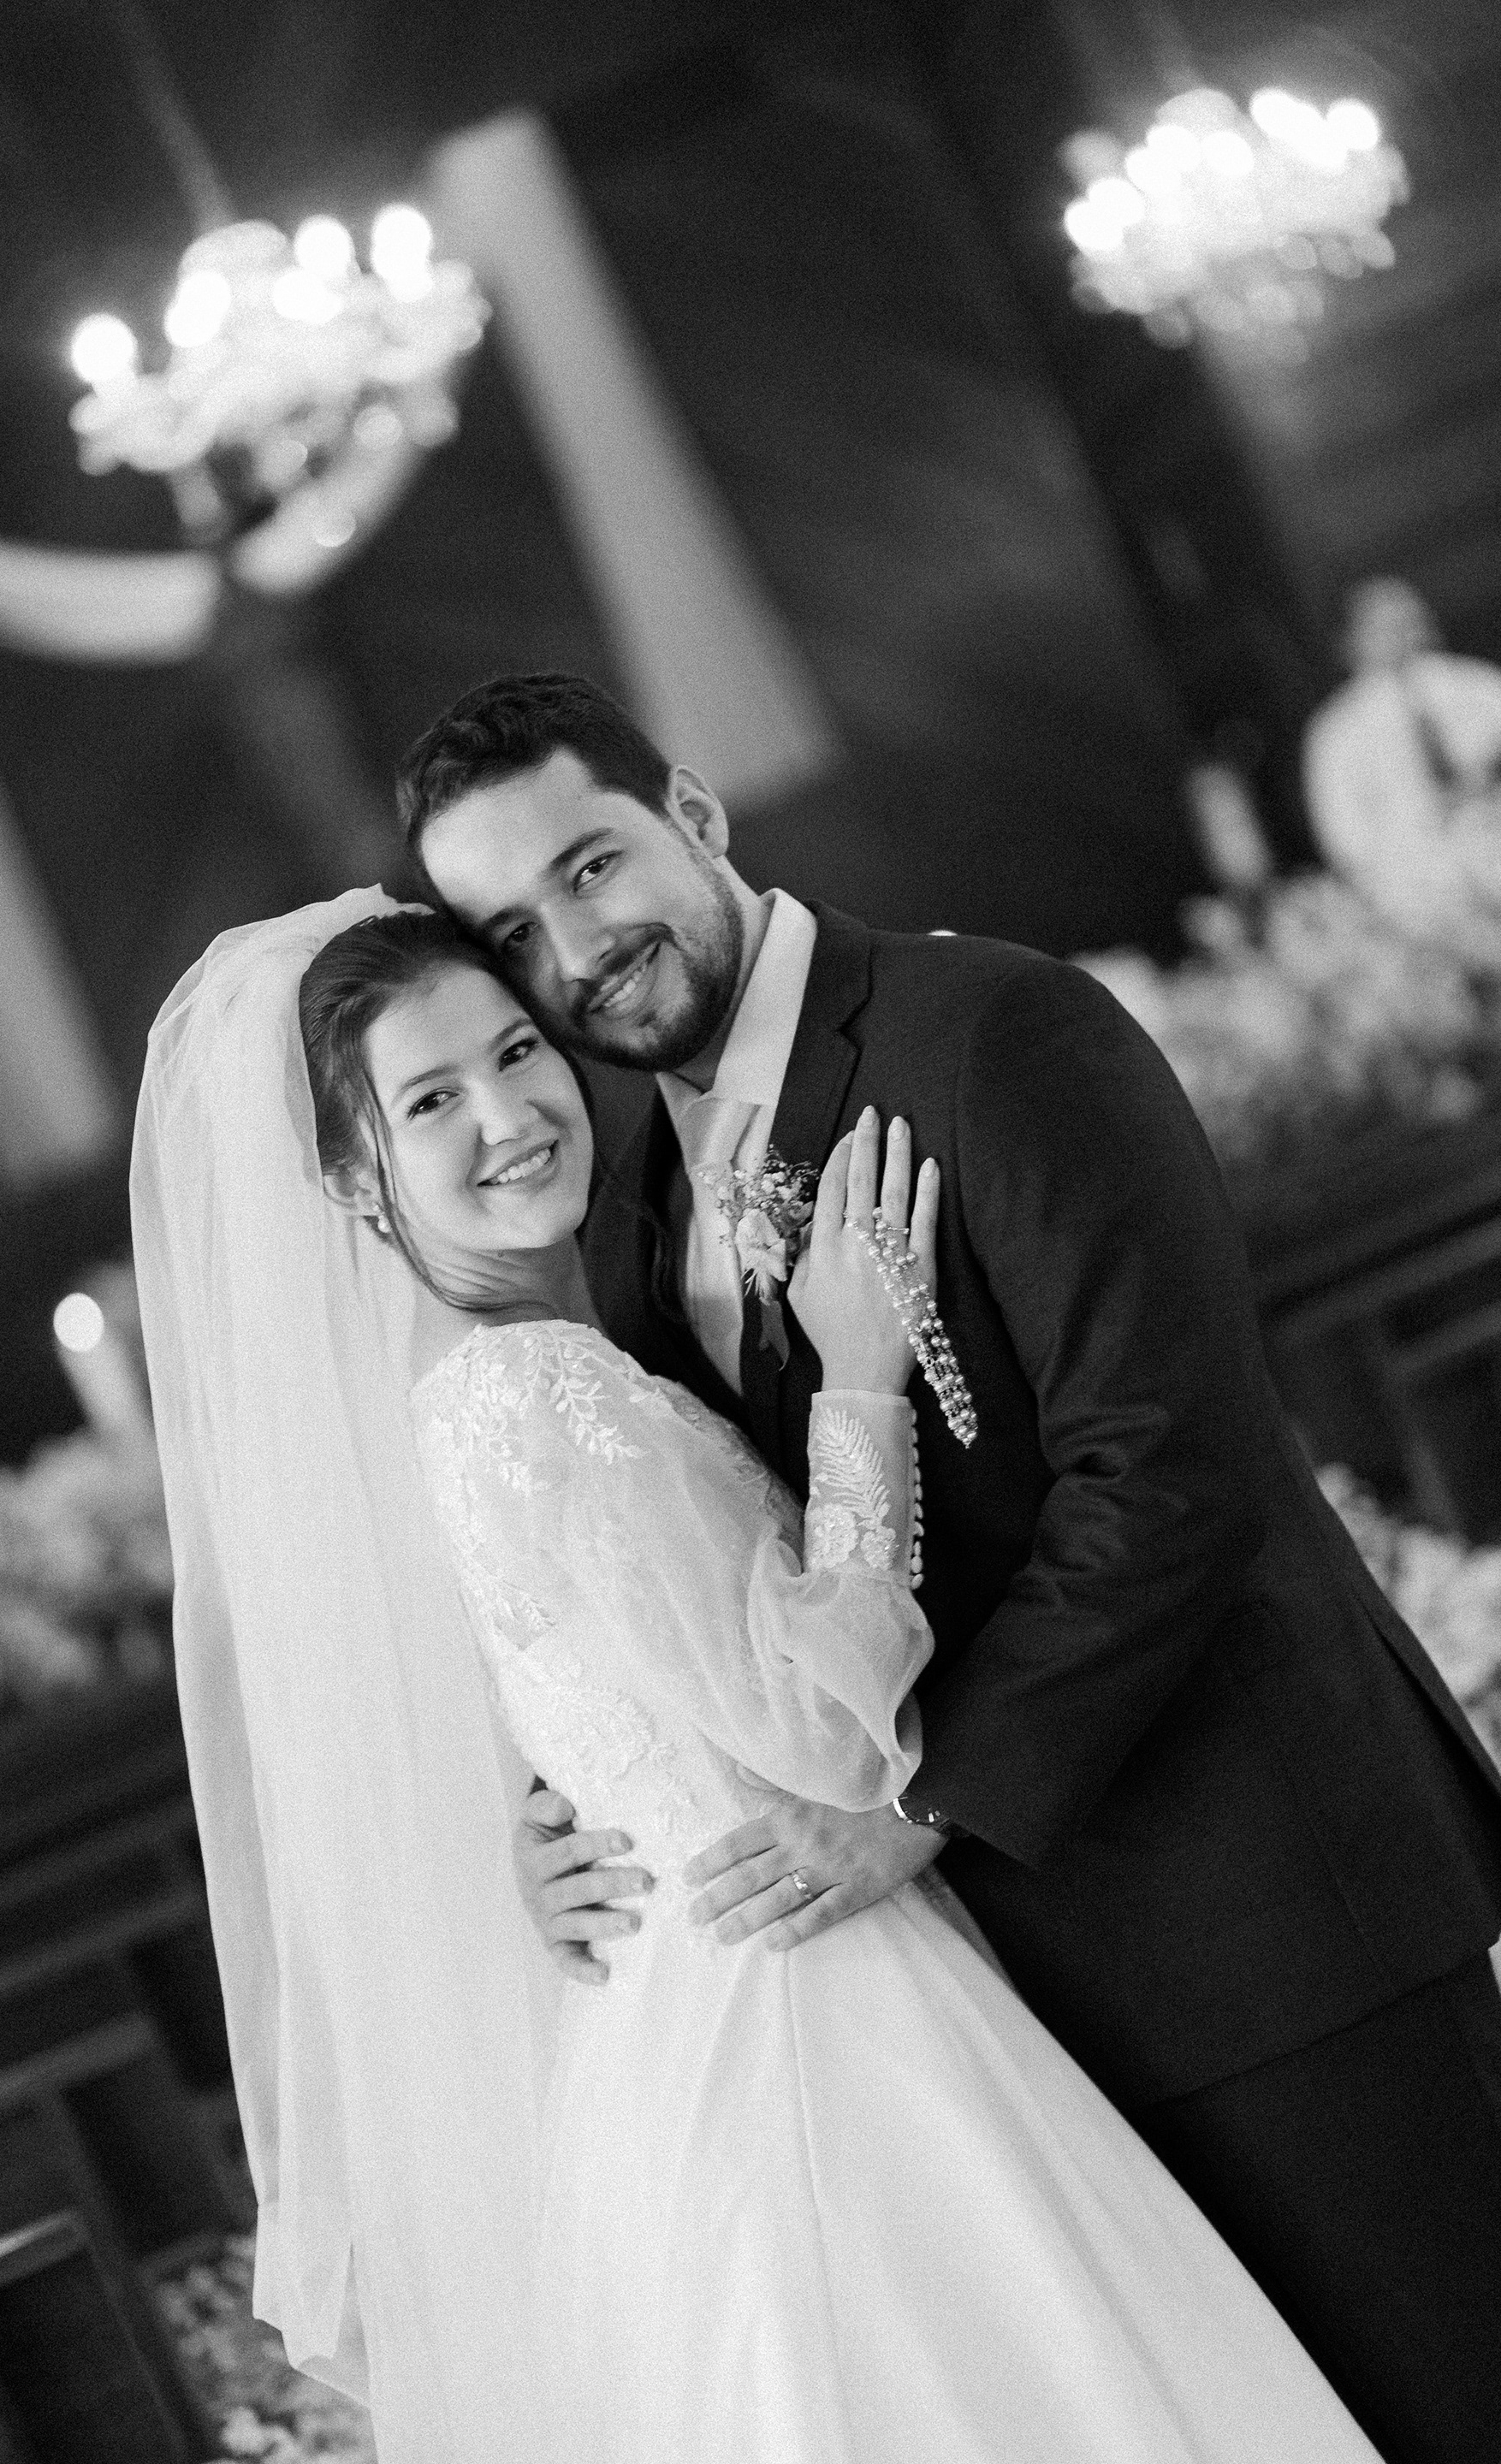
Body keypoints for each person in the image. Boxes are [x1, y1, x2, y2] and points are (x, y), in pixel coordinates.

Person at [399, 670, 1501, 2464]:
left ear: (695, 815)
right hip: (1007, 2034)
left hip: (1266, 1922)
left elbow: (1175, 1469)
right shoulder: (621, 1197)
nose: (576, 948)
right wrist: (570, 1817)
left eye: (590, 867)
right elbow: (689, 1579)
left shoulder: (993, 1031)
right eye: (513, 931)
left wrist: (929, 1806)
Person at [133, 891, 1380, 2464]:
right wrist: (859, 1379)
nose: (509, 1115)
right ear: (348, 1176)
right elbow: (829, 1746)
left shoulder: (470, 1394)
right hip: (801, 2008)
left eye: (515, 1052)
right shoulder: (542, 1391)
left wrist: (548, 1818)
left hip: (684, 2012)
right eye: (430, 1100)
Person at [1303, 575, 1501, 963]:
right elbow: (1347, 841)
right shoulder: (1338, 733)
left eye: (1410, 620)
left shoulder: (1477, 686)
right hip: (1424, 899)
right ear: (1354, 641)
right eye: (1387, 627)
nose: (1404, 635)